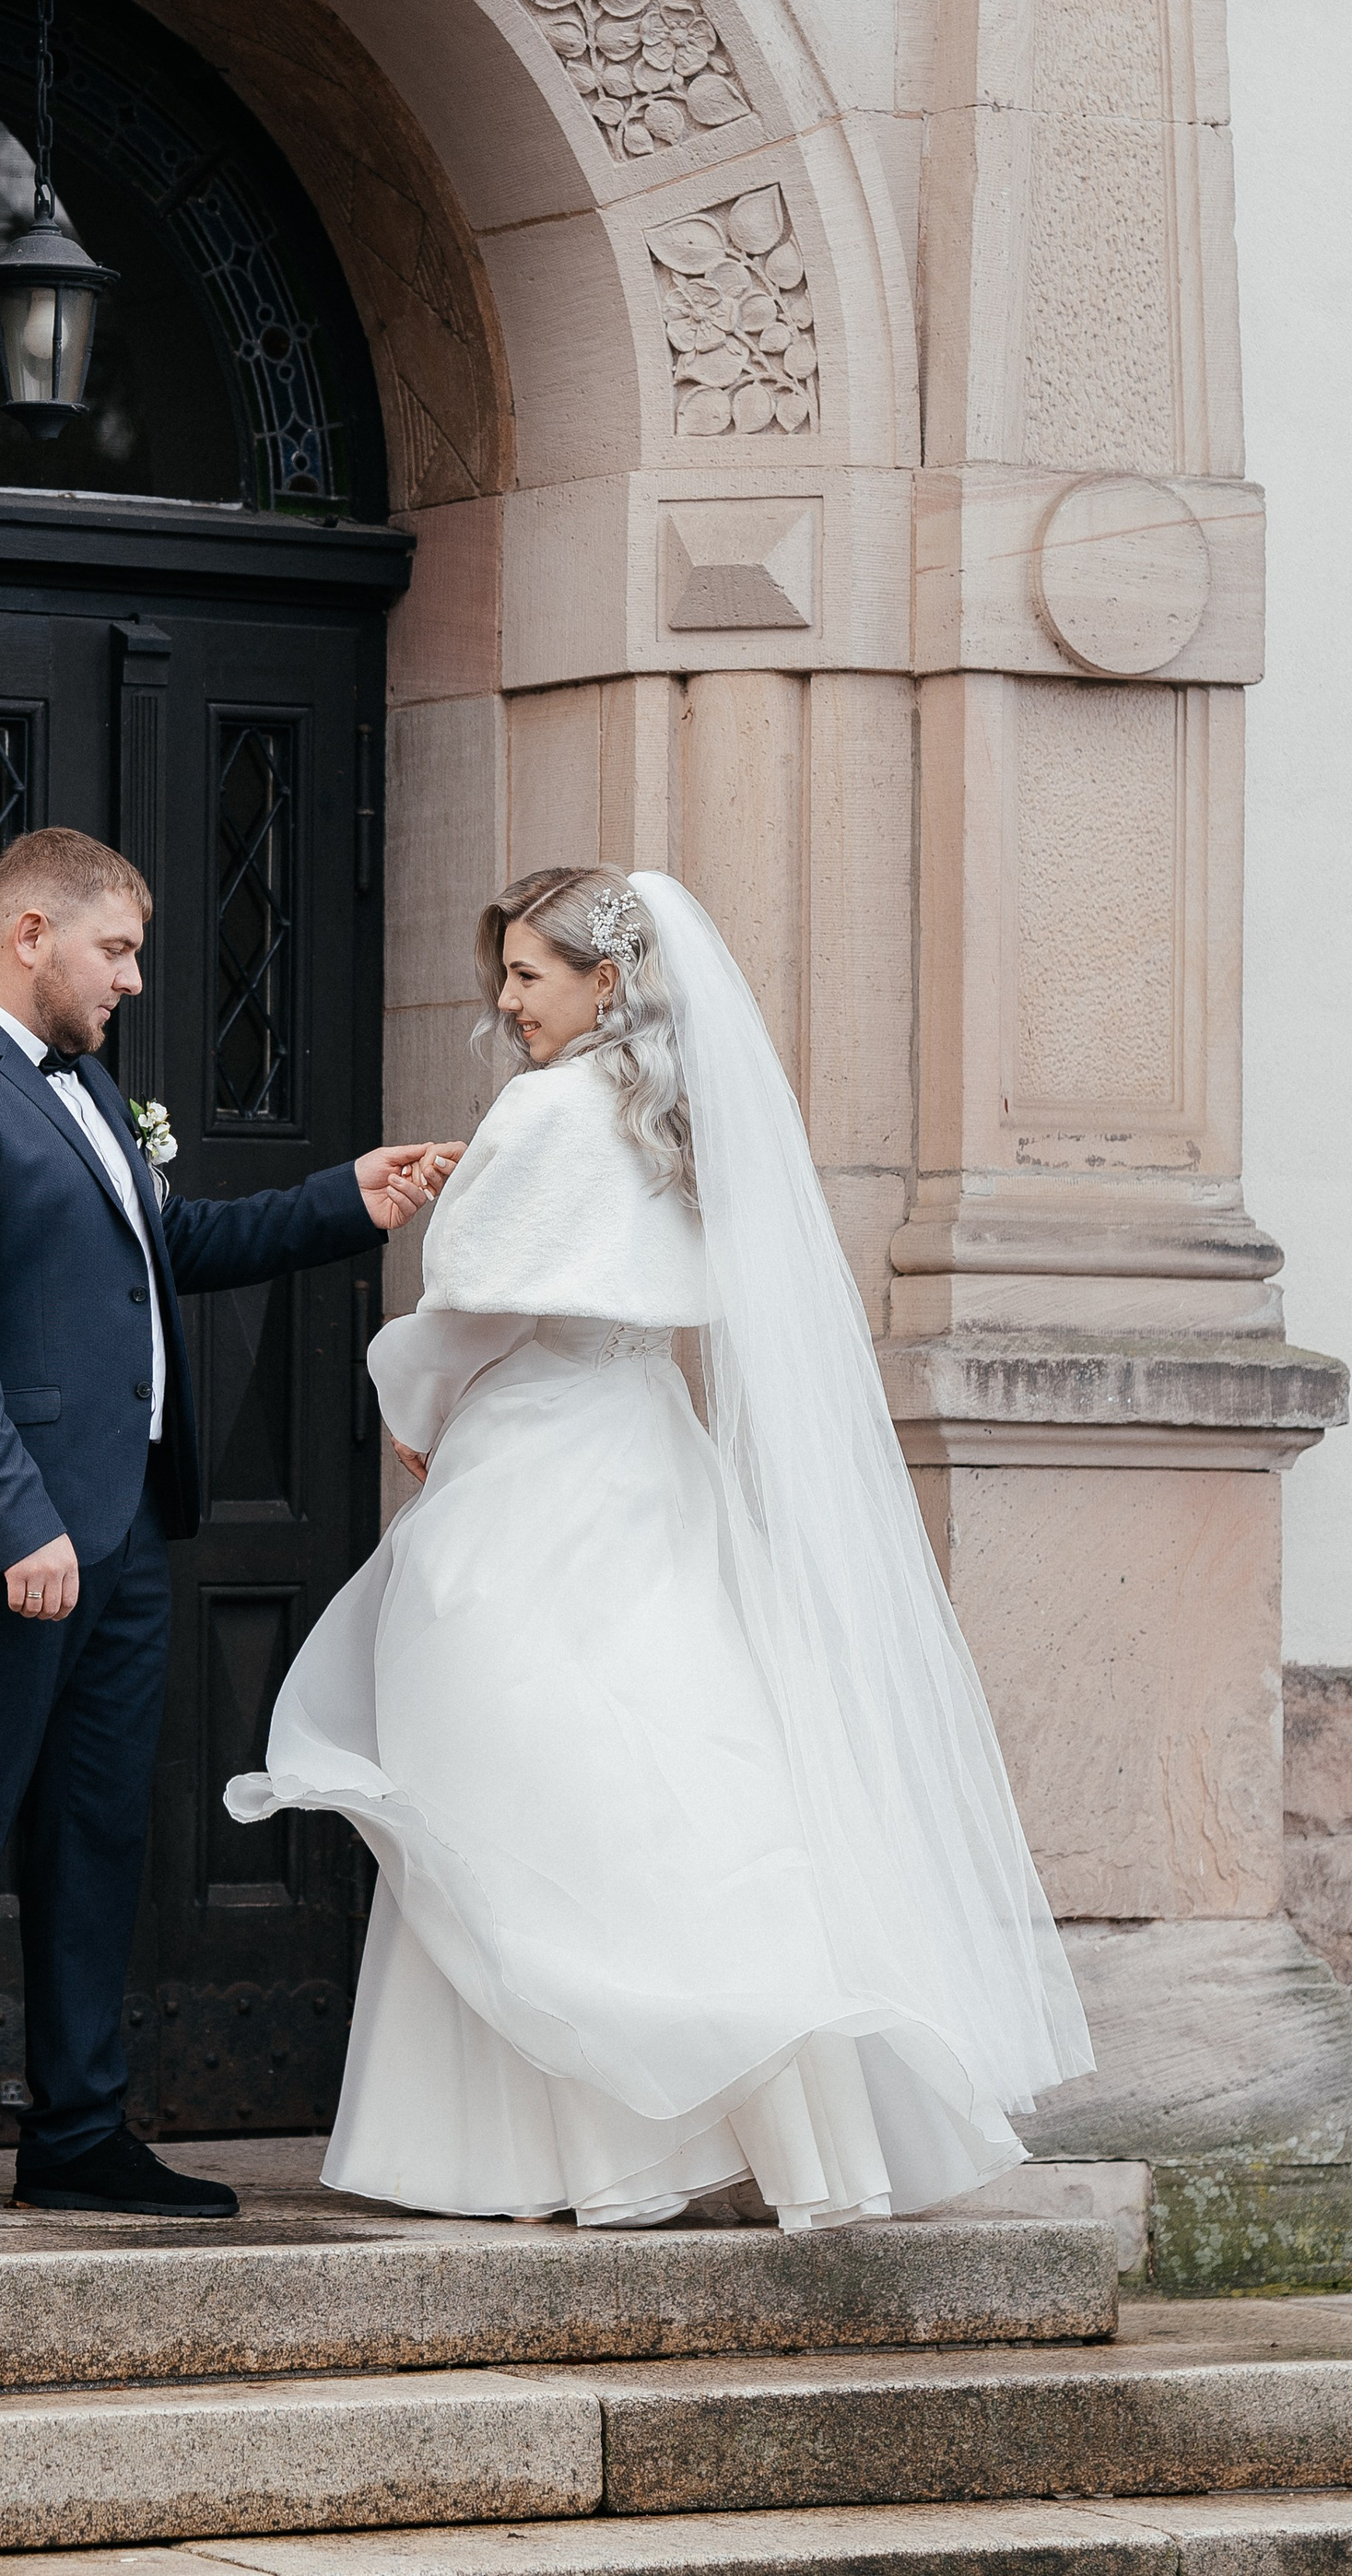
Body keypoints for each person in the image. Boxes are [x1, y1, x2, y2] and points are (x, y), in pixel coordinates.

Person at [229, 865, 1093, 2229]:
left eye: (529, 974)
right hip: (646, 1448)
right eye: (506, 972)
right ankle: (755, 2122)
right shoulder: (680, 1120)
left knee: (504, 1784)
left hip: (533, 1467)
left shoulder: (544, 1112)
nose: (505, 1000)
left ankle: (541, 2149)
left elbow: (468, 1317)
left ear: (606, 982)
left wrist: (410, 1403)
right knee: (675, 1760)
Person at [0, 825, 462, 2227]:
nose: (130, 978)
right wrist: (19, 1521)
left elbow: (156, 1255)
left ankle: (76, 2129)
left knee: (96, 1831)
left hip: (118, 1531)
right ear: (31, 936)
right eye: (114, 949)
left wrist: (343, 1204)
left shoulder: (85, 1087)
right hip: (12, 1541)